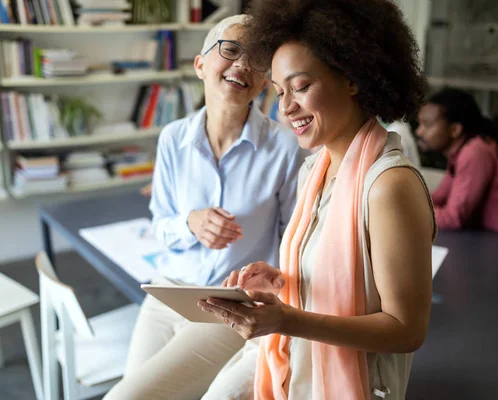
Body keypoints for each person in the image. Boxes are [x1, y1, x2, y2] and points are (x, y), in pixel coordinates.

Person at [197, 1, 436, 399]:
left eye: (301, 87)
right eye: (278, 92)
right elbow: (334, 275)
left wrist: (287, 320)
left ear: (352, 79)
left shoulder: (389, 185)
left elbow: (406, 329)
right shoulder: (317, 170)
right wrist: (278, 281)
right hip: (301, 371)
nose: (286, 107)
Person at [104, 14, 305, 399]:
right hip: (167, 293)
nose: (243, 65)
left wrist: (267, 281)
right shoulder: (172, 138)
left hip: (227, 306)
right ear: (200, 64)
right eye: (230, 50)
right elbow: (160, 224)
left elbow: (292, 246)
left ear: (264, 81)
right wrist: (189, 223)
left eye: (257, 59)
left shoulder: (285, 148)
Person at [416, 88, 498, 246]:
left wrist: (411, 211)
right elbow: (440, 196)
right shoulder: (461, 151)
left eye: (427, 125)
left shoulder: (475, 152)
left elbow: (454, 218)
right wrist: (411, 203)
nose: (419, 132)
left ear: (455, 130)